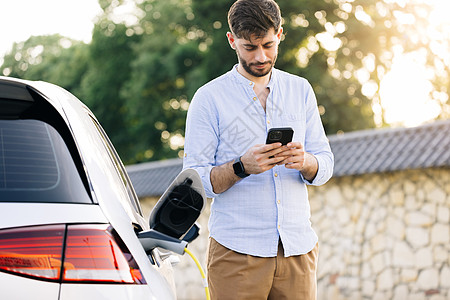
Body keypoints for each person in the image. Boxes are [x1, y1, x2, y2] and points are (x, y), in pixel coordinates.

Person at [183, 0, 334, 298]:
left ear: (280, 34)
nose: (261, 56)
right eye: (249, 47)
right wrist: (241, 167)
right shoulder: (208, 99)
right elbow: (195, 182)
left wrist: (305, 162)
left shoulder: (300, 90)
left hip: (297, 251)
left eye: (267, 44)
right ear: (232, 41)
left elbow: (326, 163)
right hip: (236, 253)